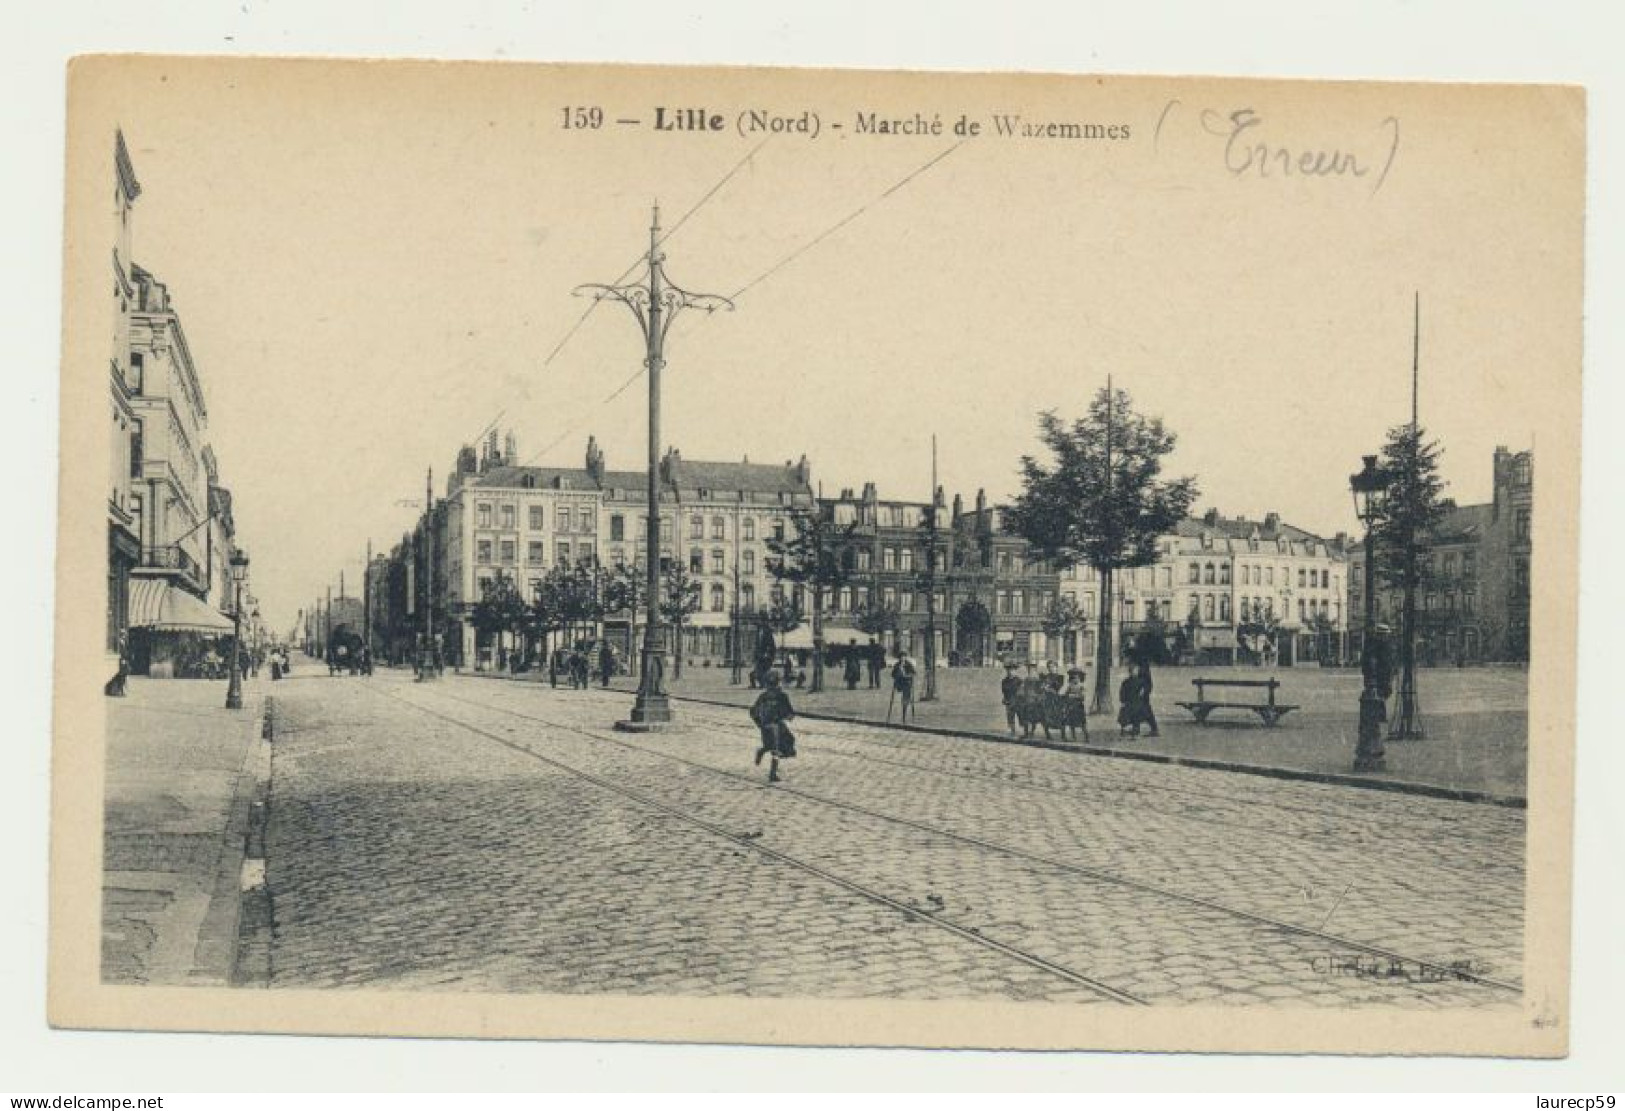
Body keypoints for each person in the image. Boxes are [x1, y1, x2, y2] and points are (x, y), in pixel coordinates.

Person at [749, 671, 797, 783]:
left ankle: (761, 752)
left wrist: (759, 723)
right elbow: (789, 711)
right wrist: (789, 716)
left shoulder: (764, 696)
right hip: (775, 725)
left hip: (767, 725)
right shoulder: (781, 696)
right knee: (776, 748)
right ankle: (772, 774)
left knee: (771, 745)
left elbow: (753, 711)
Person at [1061, 666, 1089, 743]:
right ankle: (1074, 737)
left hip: (1078, 706)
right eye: (1073, 677)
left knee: (1082, 723)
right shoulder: (1070, 686)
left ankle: (1086, 737)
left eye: (1077, 677)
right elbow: (1065, 694)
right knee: (1071, 723)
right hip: (1070, 706)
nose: (1075, 679)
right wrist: (1065, 696)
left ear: (1080, 677)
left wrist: (1072, 696)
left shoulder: (1082, 686)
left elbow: (1082, 696)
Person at [1134, 659, 1161, 738]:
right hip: (1143, 689)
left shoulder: (1144, 666)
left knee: (1145, 709)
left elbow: (1146, 681)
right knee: (1140, 708)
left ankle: (1153, 728)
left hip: (1144, 690)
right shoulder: (1143, 666)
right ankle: (1137, 728)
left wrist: (1143, 690)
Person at [891, 648, 917, 722]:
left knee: (906, 696)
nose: (902, 658)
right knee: (903, 691)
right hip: (899, 683)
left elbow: (914, 673)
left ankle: (904, 711)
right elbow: (892, 674)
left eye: (904, 656)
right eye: (901, 657)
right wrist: (897, 674)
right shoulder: (897, 664)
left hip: (906, 683)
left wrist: (908, 675)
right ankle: (904, 703)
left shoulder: (908, 664)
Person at [1000, 660, 1022, 737]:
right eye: (1009, 670)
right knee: (1010, 717)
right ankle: (1012, 731)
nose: (1010, 672)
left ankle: (1023, 731)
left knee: (1020, 716)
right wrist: (1005, 698)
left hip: (1017, 701)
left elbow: (1021, 691)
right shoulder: (1004, 681)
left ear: (1015, 671)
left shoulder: (1019, 680)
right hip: (1009, 701)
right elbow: (1004, 690)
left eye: (1012, 670)